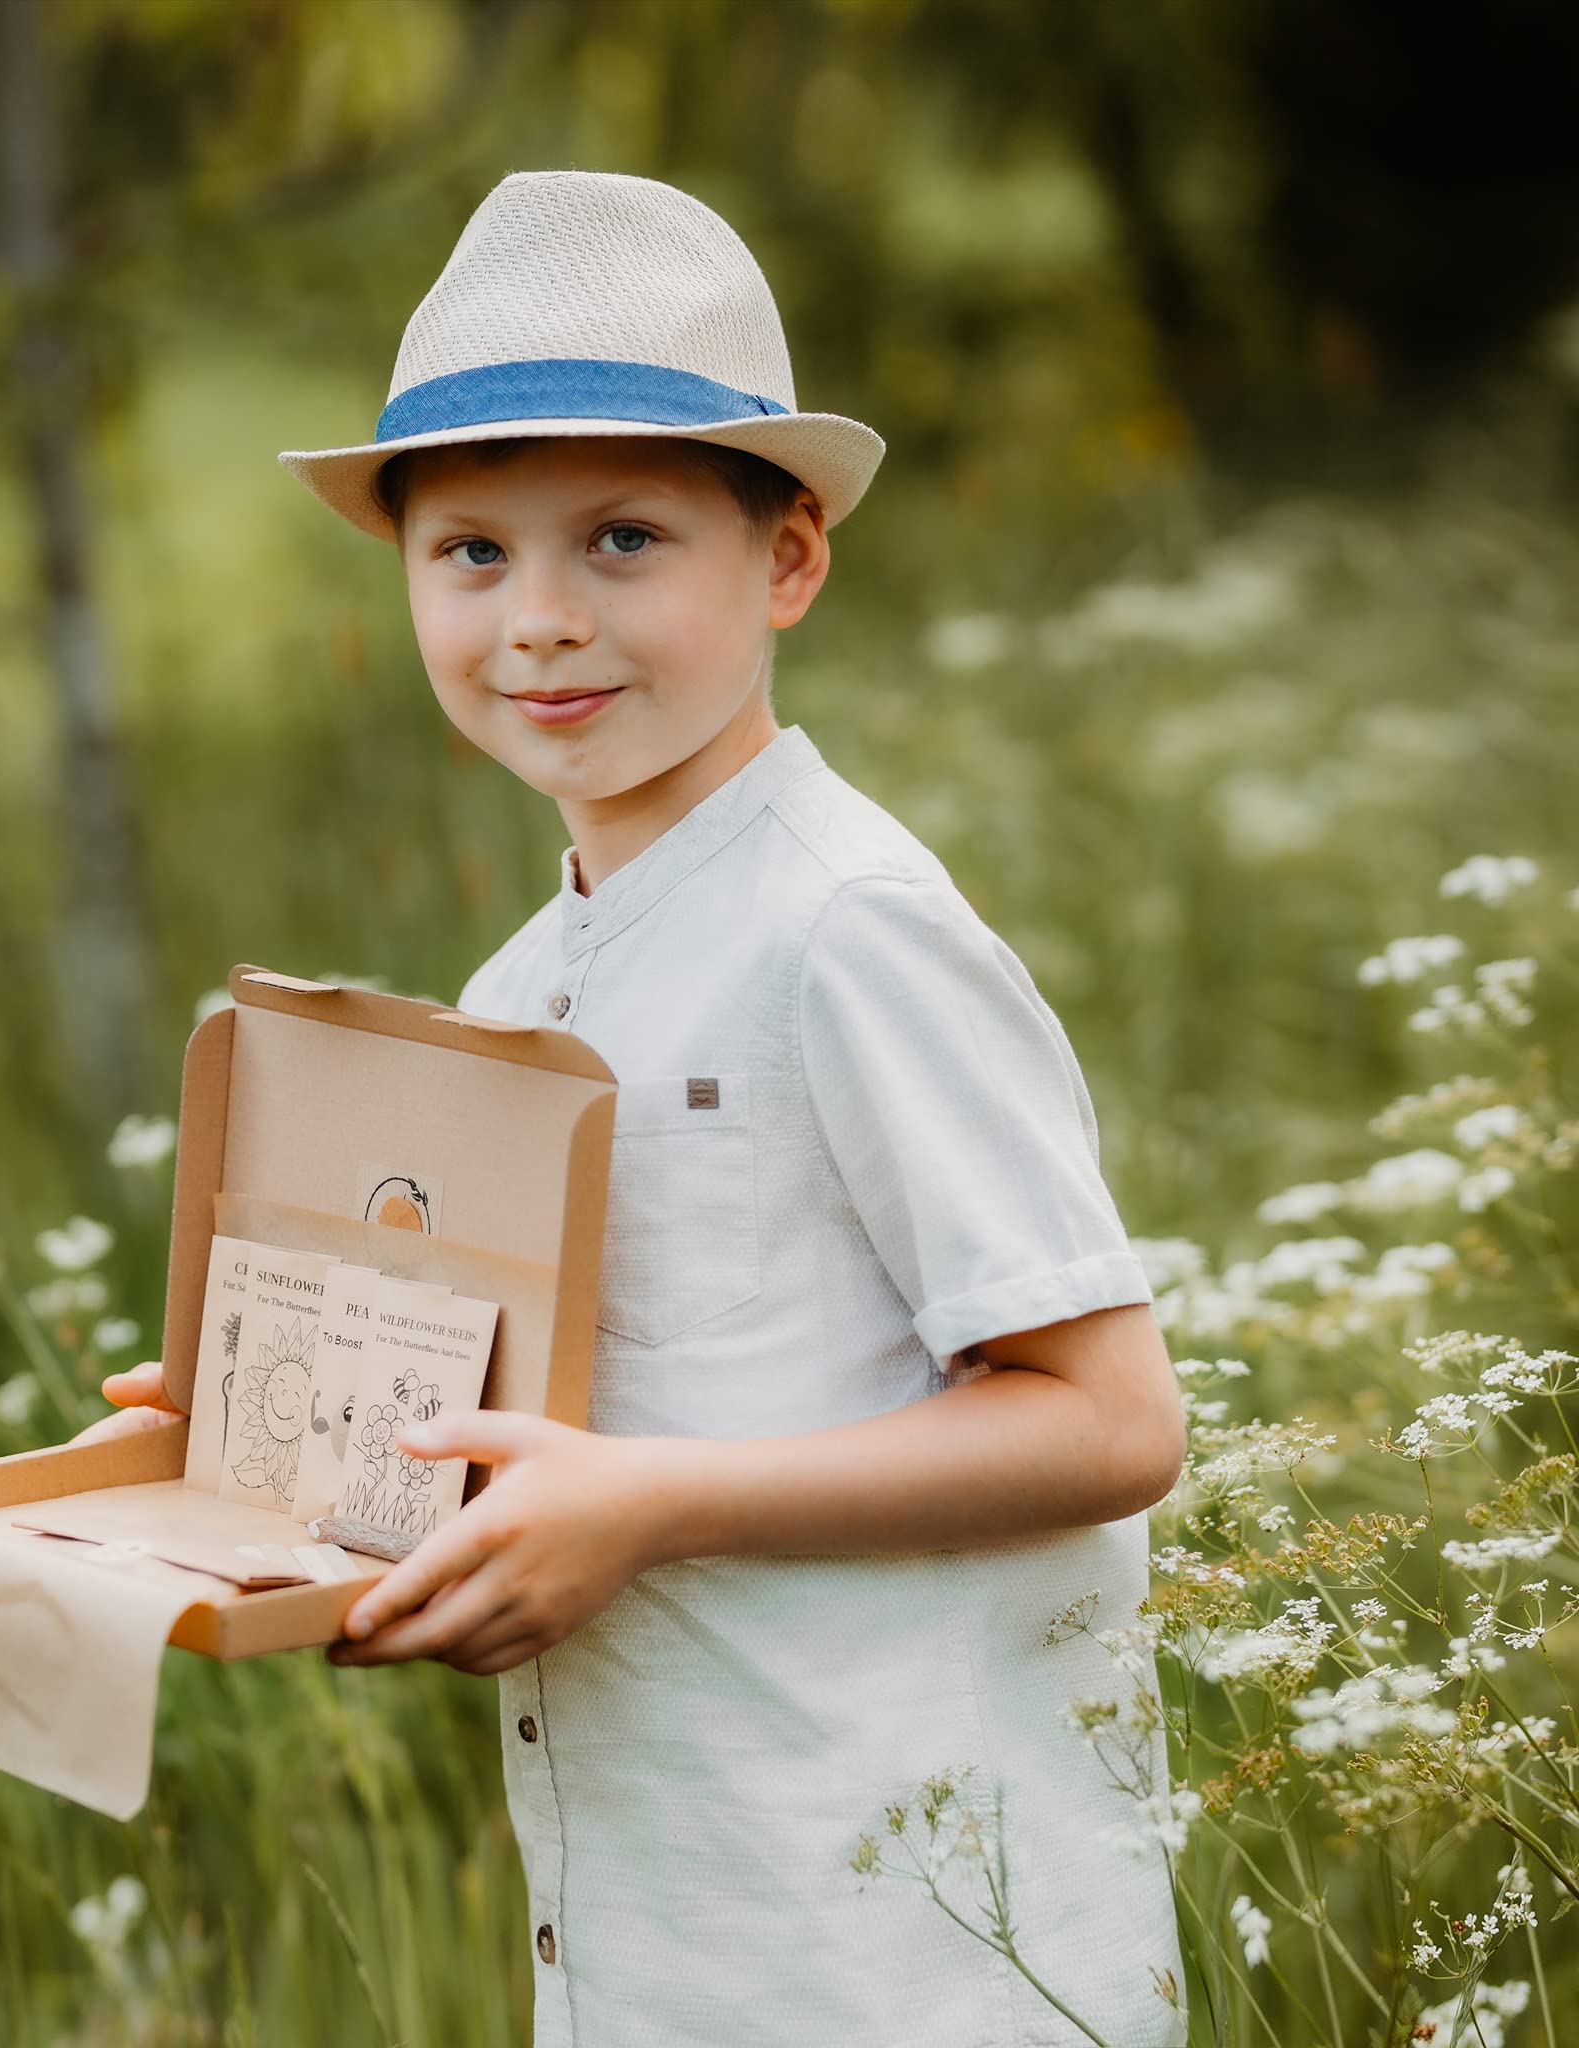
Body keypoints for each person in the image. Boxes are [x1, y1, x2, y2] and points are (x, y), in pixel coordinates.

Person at [89, 169, 1191, 2048]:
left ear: (788, 560)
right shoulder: (524, 989)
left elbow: (1109, 1419)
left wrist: (654, 1507)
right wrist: (271, 1440)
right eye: (471, 552)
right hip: (663, 1941)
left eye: (621, 539)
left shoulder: (847, 930)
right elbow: (541, 1435)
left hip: (920, 1949)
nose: (539, 622)